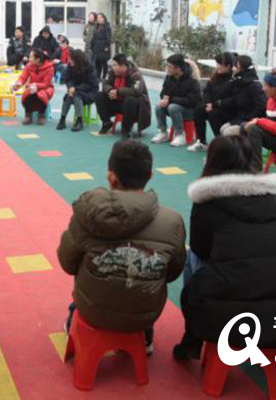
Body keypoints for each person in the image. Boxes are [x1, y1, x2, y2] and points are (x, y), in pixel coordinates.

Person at [174, 136, 276, 360]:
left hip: (227, 319)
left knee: (191, 258)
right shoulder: (273, 197)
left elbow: (200, 248)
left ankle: (192, 338)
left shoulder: (207, 199)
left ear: (212, 160)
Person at [57, 140, 185, 354]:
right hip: (144, 313)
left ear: (111, 176)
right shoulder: (172, 221)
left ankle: (75, 321)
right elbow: (172, 273)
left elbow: (67, 263)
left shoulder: (87, 213)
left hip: (93, 310)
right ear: (150, 176)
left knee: (84, 265)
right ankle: (144, 337)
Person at [151, 54, 202, 148]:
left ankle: (179, 135)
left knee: (173, 107)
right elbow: (163, 93)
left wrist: (170, 99)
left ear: (179, 68)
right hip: (174, 108)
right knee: (159, 106)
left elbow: (193, 101)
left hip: (190, 111)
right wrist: (164, 99)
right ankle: (163, 132)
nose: (167, 69)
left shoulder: (192, 80)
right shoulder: (169, 77)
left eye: (170, 67)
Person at [189, 52, 237, 152]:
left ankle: (220, 142)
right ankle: (201, 141)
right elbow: (207, 92)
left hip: (228, 109)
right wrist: (208, 104)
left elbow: (232, 99)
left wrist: (214, 105)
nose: (217, 67)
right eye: (217, 64)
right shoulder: (215, 77)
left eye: (220, 64)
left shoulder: (234, 79)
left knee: (213, 114)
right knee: (199, 110)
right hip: (213, 106)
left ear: (228, 66)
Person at [96, 54, 151, 137]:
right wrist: (111, 91)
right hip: (117, 102)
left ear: (123, 66)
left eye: (115, 65)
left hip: (134, 108)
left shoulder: (135, 74)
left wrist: (118, 92)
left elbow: (136, 90)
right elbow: (105, 84)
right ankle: (106, 122)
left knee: (130, 100)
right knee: (99, 95)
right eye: (113, 65)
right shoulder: (111, 72)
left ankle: (126, 129)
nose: (113, 67)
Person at [214, 55, 266, 136]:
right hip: (241, 117)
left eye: (235, 66)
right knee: (222, 128)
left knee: (228, 132)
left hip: (250, 120)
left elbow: (262, 106)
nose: (233, 68)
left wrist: (249, 117)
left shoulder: (254, 85)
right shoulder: (239, 81)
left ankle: (240, 144)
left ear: (242, 68)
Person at [57, 49, 99, 132]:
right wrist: (71, 87)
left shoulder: (90, 67)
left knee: (76, 96)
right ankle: (62, 119)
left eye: (71, 59)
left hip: (90, 92)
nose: (69, 61)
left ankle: (79, 121)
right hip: (75, 90)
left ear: (77, 60)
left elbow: (91, 84)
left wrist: (76, 88)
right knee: (68, 96)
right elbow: (67, 79)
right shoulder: (70, 66)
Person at [12, 48, 54, 125]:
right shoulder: (29, 66)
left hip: (46, 87)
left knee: (41, 95)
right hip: (32, 87)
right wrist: (19, 83)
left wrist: (35, 85)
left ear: (37, 59)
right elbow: (23, 77)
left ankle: (41, 115)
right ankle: (28, 115)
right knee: (27, 94)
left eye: (31, 57)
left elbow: (46, 84)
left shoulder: (49, 67)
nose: (29, 59)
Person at [91, 13, 112, 80]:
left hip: (103, 47)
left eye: (100, 17)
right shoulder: (96, 27)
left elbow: (108, 38)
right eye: (98, 18)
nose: (99, 19)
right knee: (97, 62)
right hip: (96, 47)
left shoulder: (107, 27)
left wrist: (107, 46)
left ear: (104, 18)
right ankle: (98, 76)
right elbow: (94, 37)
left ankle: (104, 77)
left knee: (104, 62)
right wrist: (92, 45)